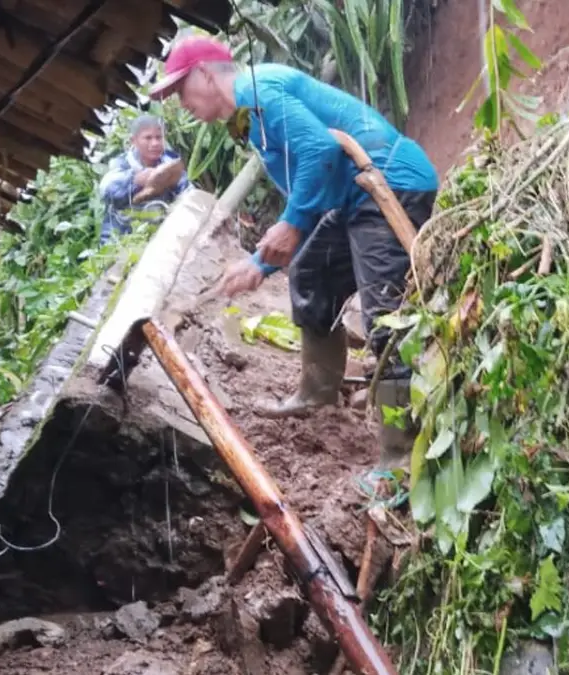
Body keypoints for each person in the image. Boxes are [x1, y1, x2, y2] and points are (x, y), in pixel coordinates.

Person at [150, 36, 439, 469]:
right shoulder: (245, 116)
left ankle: (400, 455)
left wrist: (291, 222)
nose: (179, 104)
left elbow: (320, 151)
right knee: (310, 274)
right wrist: (261, 263)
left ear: (206, 74)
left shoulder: (257, 89)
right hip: (353, 196)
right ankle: (317, 393)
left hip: (390, 183)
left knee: (386, 319)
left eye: (180, 91)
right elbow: (315, 177)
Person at [98, 115, 192, 245]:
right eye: (148, 138)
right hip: (121, 240)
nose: (155, 143)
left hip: (162, 238)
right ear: (134, 140)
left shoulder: (170, 162)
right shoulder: (121, 164)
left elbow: (188, 191)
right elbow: (106, 191)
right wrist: (135, 180)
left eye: (159, 137)